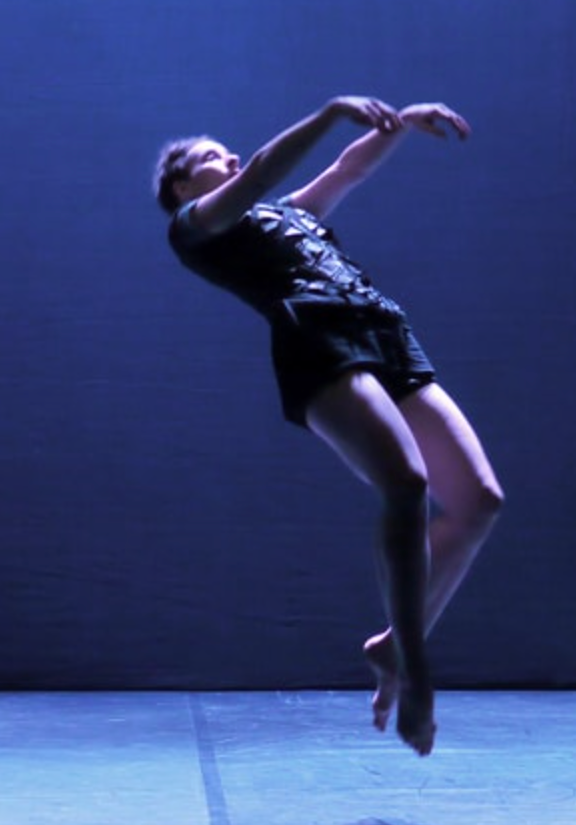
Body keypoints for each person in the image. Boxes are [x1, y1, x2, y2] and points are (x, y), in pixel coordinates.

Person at [153, 96, 504, 757]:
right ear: (181, 186)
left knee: (480, 501)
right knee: (405, 484)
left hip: (382, 329)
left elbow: (347, 170)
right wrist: (329, 112)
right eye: (211, 157)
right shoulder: (194, 227)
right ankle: (415, 670)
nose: (229, 156)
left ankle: (393, 647)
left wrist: (400, 122)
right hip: (318, 341)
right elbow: (261, 168)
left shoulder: (289, 214)